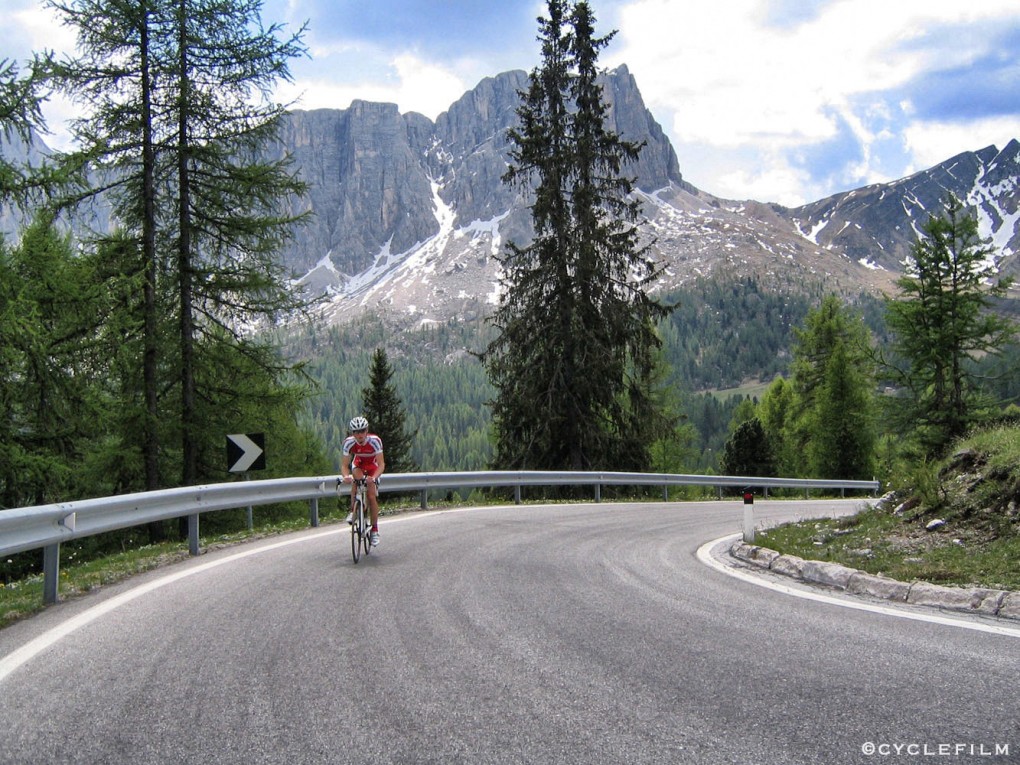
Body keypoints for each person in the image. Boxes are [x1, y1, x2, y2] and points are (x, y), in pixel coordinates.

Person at [340, 416, 385, 547]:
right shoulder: (348, 443)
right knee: (356, 479)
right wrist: (345, 476)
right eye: (356, 432)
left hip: (373, 466)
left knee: (371, 496)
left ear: (367, 431)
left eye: (362, 431)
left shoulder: (375, 441)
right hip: (359, 464)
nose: (359, 435)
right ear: (352, 433)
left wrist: (374, 477)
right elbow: (344, 465)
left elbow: (381, 464)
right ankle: (353, 510)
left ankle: (374, 530)